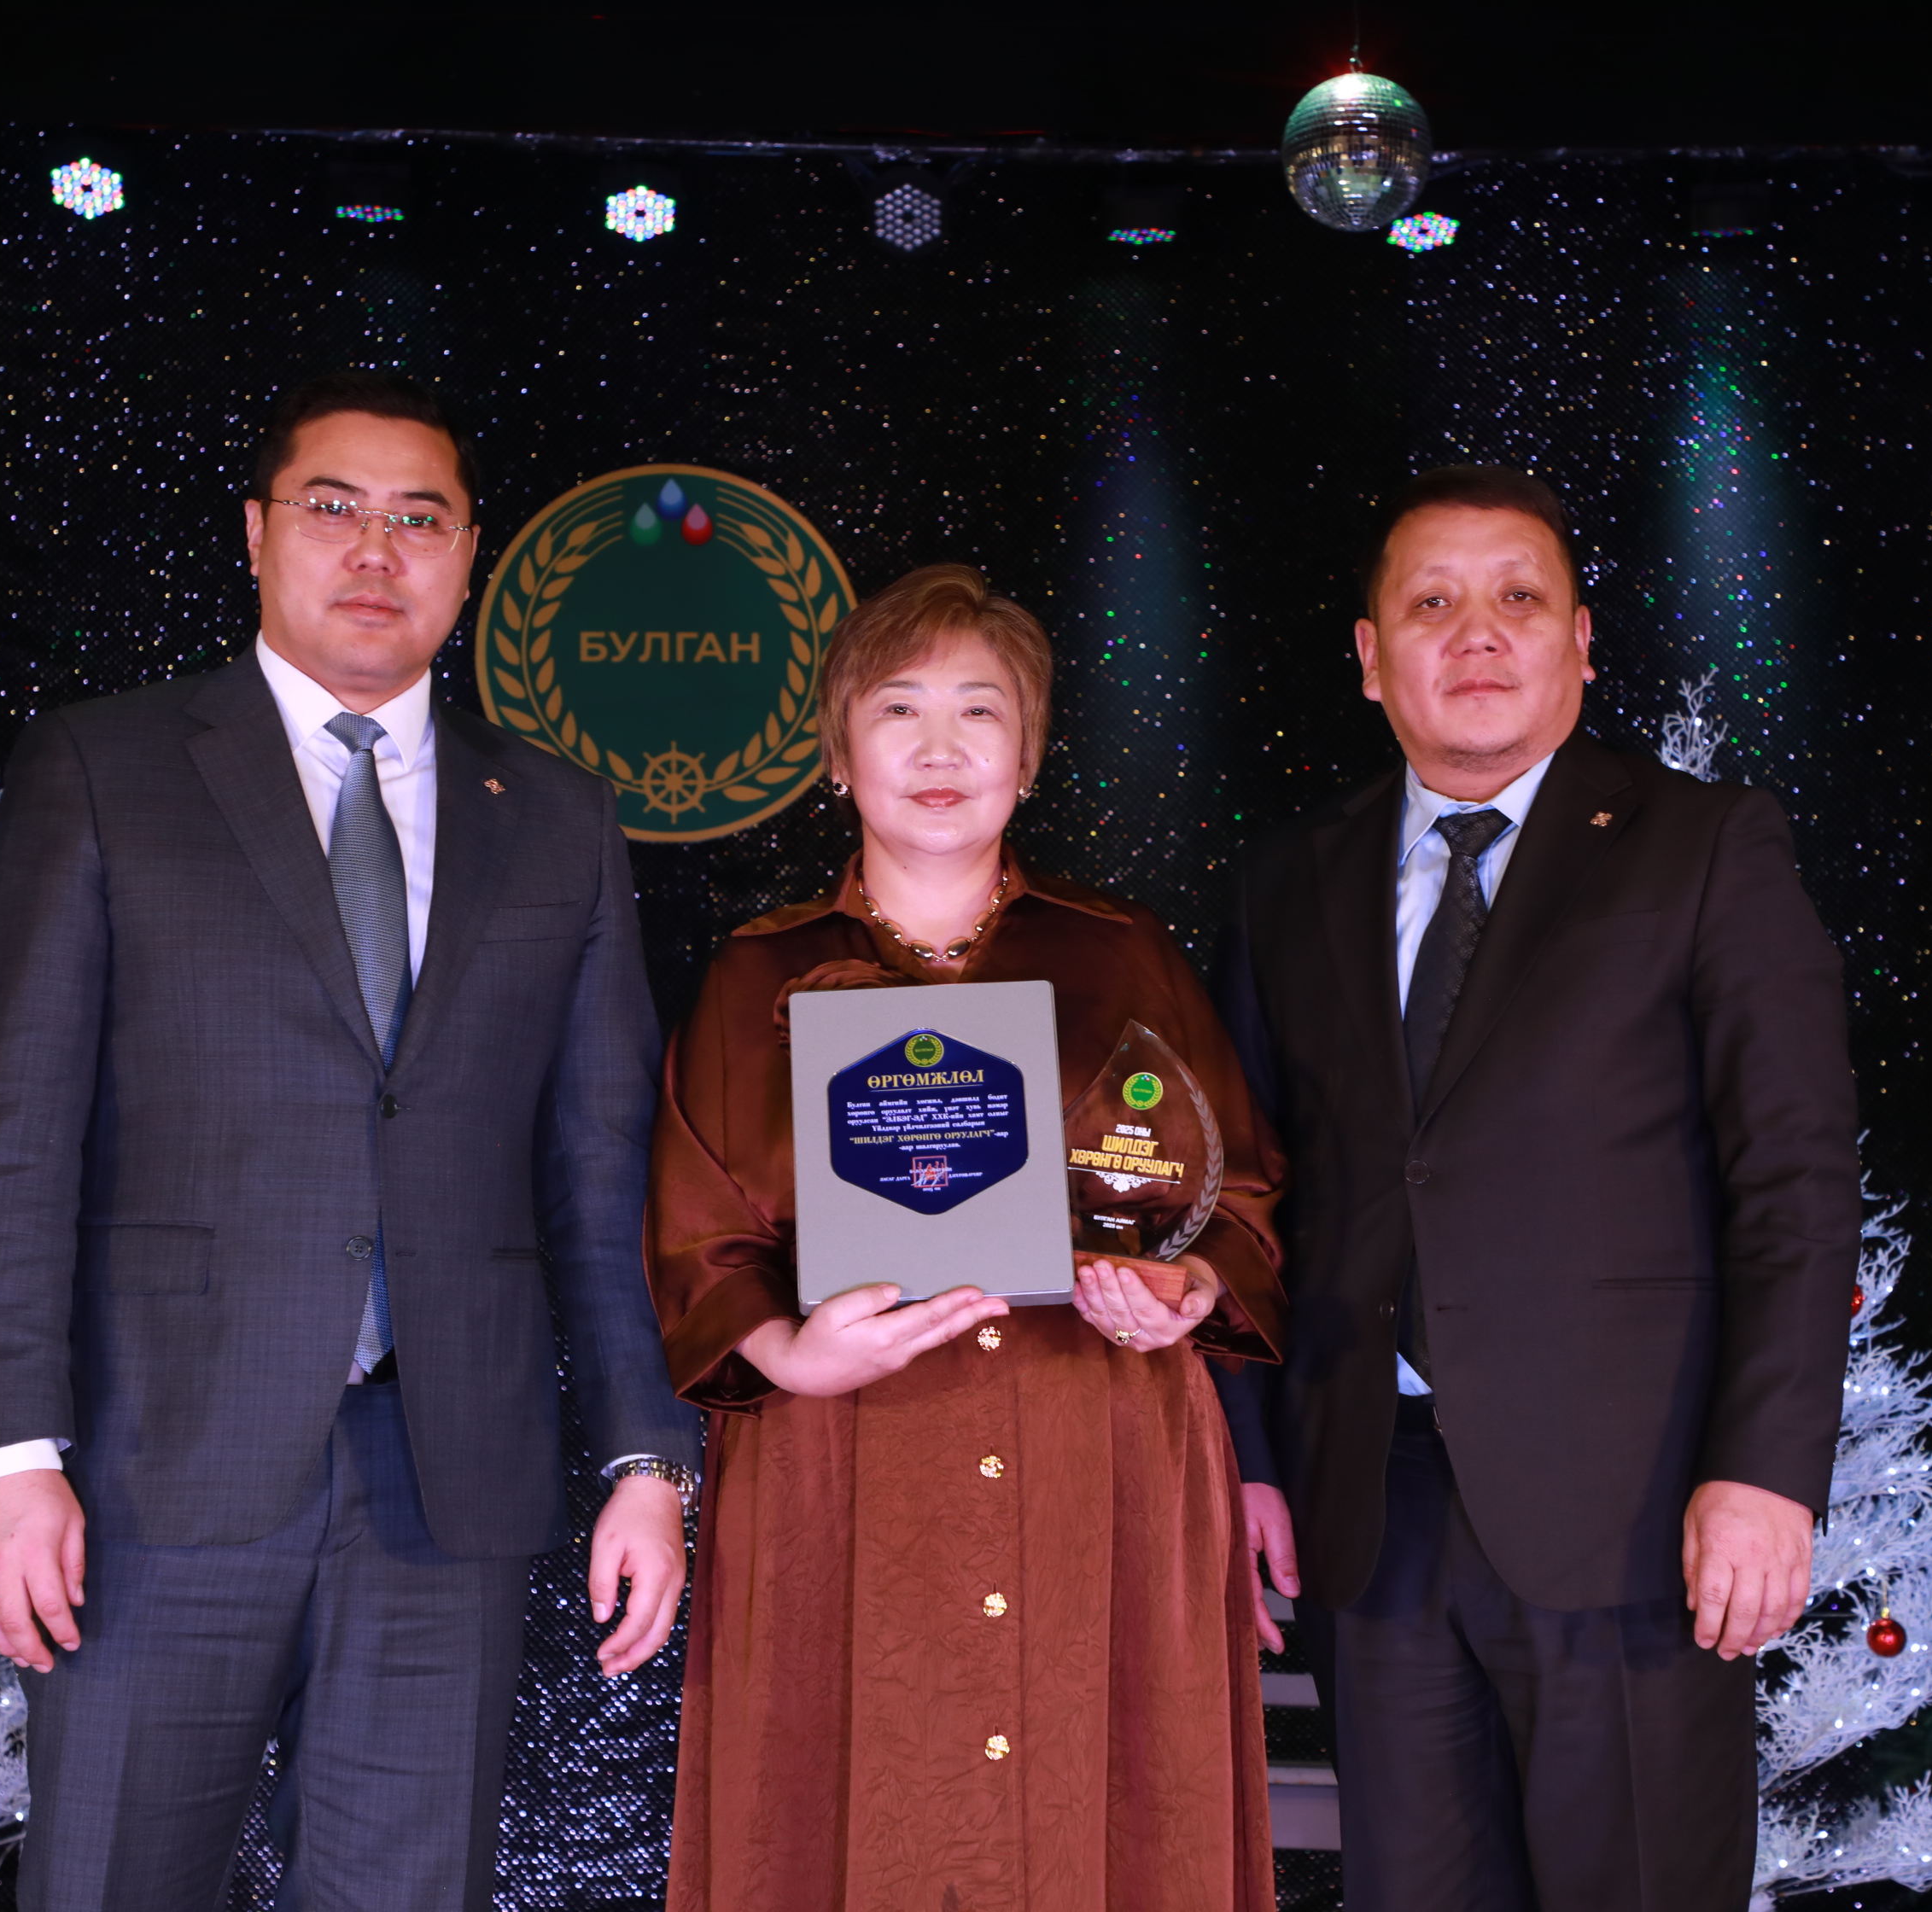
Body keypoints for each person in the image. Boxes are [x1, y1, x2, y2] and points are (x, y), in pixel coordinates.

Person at [0, 369, 700, 1911]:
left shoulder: (557, 814)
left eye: (419, 519)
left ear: (468, 558)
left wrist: (645, 1459)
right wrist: (4, 1457)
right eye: (333, 508)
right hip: (153, 1471)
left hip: (445, 1482)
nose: (375, 550)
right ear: (257, 532)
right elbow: (9, 1134)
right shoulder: (103, 768)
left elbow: (599, 1169)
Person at [1215, 467, 1860, 1910]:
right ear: (1371, 657)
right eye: (1431, 604)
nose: (1478, 634)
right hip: (1368, 1513)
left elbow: (1795, 1178)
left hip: (1632, 1510)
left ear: (1580, 641)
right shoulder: (1286, 882)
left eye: (1518, 597)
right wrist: (1248, 1457)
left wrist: (1765, 1472)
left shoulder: (1705, 846)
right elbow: (1244, 1199)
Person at [649, 563, 1289, 1912]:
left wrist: (1185, 1289)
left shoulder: (1126, 953)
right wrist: (787, 1353)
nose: (940, 748)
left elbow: (1238, 1200)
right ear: (839, 753)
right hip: (840, 1464)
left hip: (1097, 1452)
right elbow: (698, 1239)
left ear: (1029, 753)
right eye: (899, 710)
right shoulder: (754, 974)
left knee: (1110, 1824)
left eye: (979, 711)